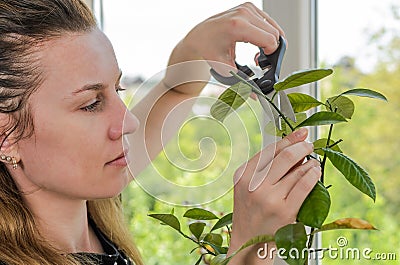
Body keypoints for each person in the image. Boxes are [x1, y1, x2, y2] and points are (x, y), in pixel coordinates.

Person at [0, 1, 320, 264]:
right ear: (7, 135)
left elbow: (173, 94)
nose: (129, 122)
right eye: (91, 104)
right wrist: (250, 247)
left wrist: (193, 49)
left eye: (118, 88)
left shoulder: (91, 203)